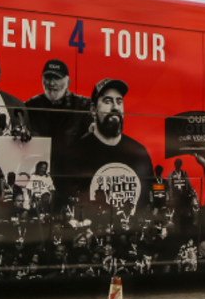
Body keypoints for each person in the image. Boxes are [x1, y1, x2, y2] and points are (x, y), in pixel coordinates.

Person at [57, 79, 155, 213]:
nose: (115, 107)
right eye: (108, 101)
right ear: (93, 110)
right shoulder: (76, 152)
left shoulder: (139, 152)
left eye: (119, 101)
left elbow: (148, 200)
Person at [24, 59, 91, 147]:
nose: (52, 83)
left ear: (68, 82)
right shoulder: (30, 107)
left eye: (57, 78)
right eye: (48, 77)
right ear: (42, 80)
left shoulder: (84, 106)